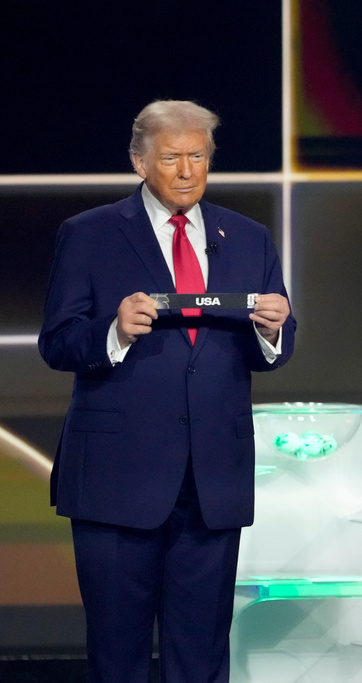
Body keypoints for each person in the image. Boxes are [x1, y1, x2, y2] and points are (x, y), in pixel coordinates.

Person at [38, 100, 296, 682]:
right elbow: (57, 342)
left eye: (198, 156)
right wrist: (112, 331)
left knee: (201, 654)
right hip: (117, 477)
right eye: (172, 157)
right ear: (139, 162)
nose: (187, 171)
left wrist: (275, 330)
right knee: (118, 653)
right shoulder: (89, 234)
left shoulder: (249, 237)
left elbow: (274, 347)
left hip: (212, 480)